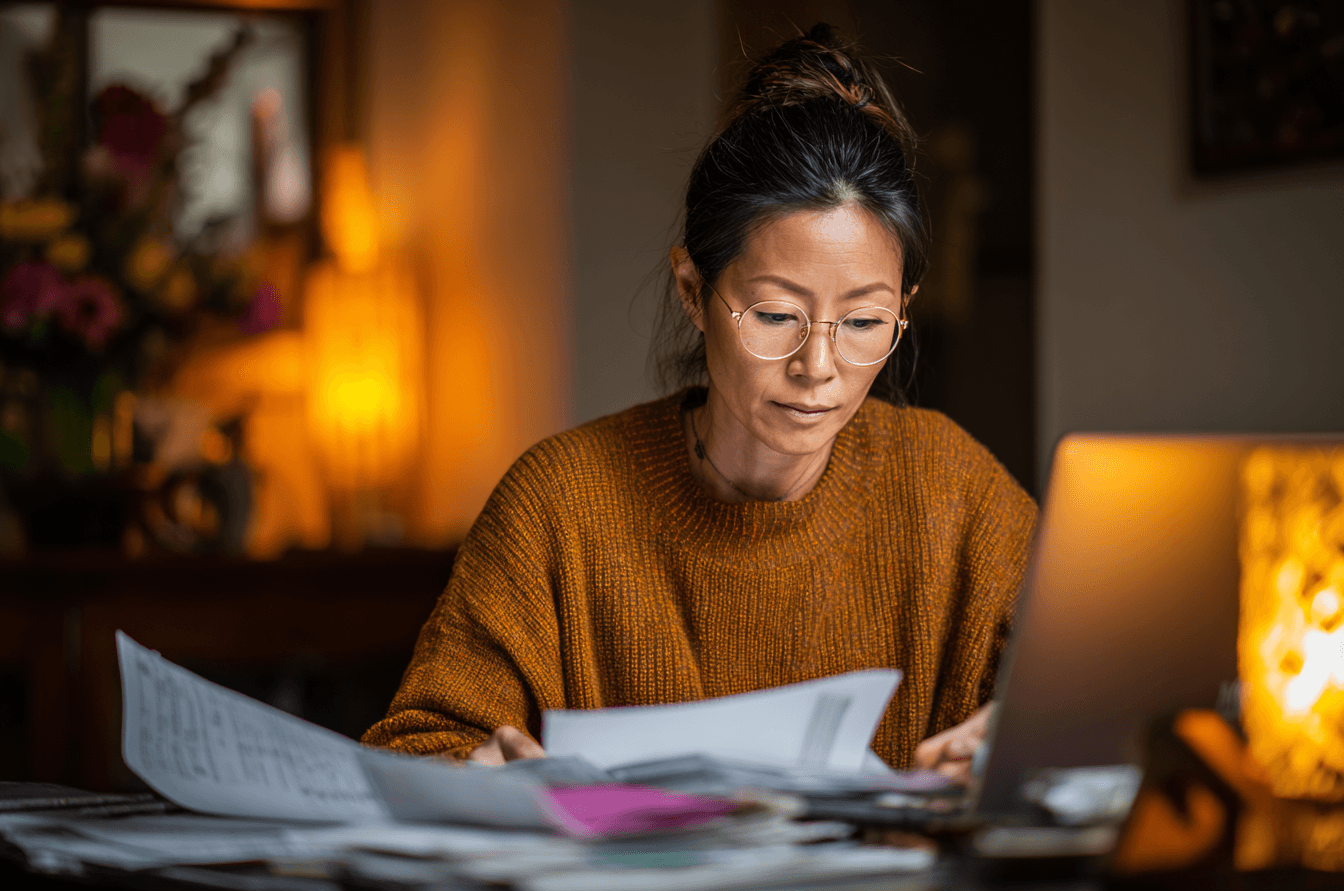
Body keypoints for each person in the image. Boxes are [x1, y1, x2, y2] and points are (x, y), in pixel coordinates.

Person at [362, 24, 1036, 784]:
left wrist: (1020, 749)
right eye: (776, 315)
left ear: (903, 309)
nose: (819, 367)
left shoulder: (955, 492)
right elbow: (411, 754)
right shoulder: (560, 506)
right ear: (693, 292)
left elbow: (1097, 709)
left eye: (863, 323)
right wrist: (478, 777)